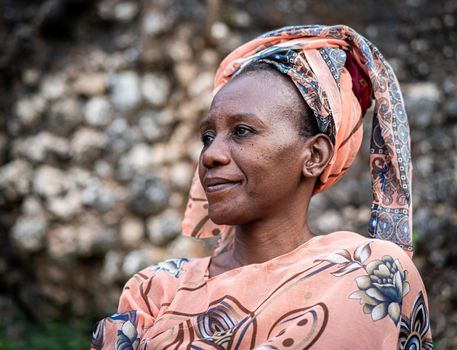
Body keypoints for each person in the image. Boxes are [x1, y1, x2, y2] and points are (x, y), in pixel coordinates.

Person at [91, 25, 432, 349]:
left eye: (242, 131)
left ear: (314, 155)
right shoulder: (157, 287)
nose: (210, 154)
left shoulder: (363, 272)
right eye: (208, 137)